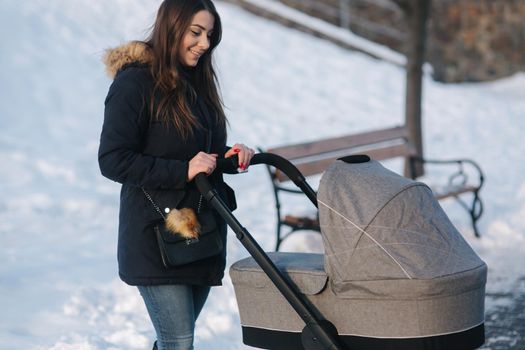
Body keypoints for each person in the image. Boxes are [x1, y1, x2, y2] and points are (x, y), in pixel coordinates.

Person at [98, 1, 254, 349]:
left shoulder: (198, 84)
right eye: (195, 32)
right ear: (171, 27)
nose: (204, 43)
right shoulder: (135, 83)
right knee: (179, 342)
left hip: (201, 234)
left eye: (210, 35)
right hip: (157, 233)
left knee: (174, 342)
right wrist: (182, 170)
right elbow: (113, 159)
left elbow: (203, 157)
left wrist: (230, 158)